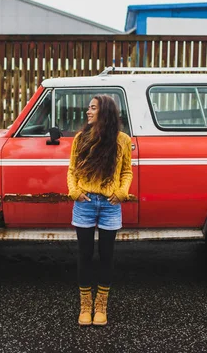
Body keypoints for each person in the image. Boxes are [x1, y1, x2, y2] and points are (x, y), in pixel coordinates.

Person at [67, 94, 133, 326]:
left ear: (104, 111)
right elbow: (72, 169)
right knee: (84, 255)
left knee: (106, 256)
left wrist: (122, 193)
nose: (88, 112)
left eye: (93, 108)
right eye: (88, 108)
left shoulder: (123, 140)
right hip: (84, 202)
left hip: (110, 205)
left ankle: (101, 307)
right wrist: (75, 192)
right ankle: (85, 306)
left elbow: (126, 171)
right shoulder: (81, 138)